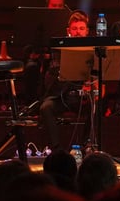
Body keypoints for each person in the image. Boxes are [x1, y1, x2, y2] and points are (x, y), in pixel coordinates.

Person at [38, 10, 92, 152]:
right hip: (61, 96)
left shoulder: (92, 50)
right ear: (68, 31)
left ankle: (86, 145)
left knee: (97, 106)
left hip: (81, 98)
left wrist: (91, 85)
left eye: (81, 28)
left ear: (87, 31)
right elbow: (51, 78)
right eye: (75, 29)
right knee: (45, 108)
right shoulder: (59, 49)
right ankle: (57, 149)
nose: (78, 32)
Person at [21, 0, 67, 105]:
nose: (57, 9)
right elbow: (30, 43)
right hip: (40, 57)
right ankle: (30, 104)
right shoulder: (39, 22)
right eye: (54, 6)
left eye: (60, 6)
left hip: (59, 59)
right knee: (31, 67)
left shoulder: (66, 22)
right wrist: (34, 54)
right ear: (47, 6)